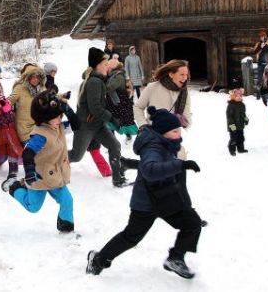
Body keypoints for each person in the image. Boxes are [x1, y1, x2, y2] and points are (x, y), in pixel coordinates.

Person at [86, 106, 202, 279]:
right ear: (163, 132)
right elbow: (149, 170)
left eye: (179, 130)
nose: (179, 134)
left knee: (192, 223)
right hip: (146, 203)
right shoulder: (152, 147)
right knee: (131, 237)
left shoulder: (167, 144)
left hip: (165, 199)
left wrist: (187, 208)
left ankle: (176, 258)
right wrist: (180, 165)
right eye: (175, 131)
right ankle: (98, 259)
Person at [1, 90, 74, 233]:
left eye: (60, 116)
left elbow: (76, 124)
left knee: (67, 200)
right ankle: (15, 187)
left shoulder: (58, 127)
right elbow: (27, 153)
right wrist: (29, 171)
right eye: (56, 117)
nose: (59, 119)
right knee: (33, 207)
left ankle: (66, 228)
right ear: (46, 119)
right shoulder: (40, 136)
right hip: (38, 176)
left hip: (54, 176)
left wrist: (65, 108)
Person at [69, 48, 127, 187]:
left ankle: (117, 178)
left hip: (97, 124)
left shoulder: (98, 80)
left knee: (115, 145)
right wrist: (112, 119)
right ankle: (53, 161)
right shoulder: (94, 82)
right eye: (105, 63)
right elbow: (95, 108)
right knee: (76, 156)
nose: (108, 66)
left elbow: (99, 105)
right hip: (85, 126)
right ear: (98, 65)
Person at [133, 59, 192, 160]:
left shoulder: (184, 92)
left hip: (173, 139)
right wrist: (143, 125)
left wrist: (184, 120)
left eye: (186, 74)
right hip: (153, 138)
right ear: (171, 74)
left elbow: (186, 113)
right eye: (182, 74)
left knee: (179, 165)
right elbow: (138, 107)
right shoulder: (153, 87)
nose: (185, 78)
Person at [7, 64, 47, 144]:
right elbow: (11, 99)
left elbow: (50, 97)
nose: (35, 80)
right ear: (28, 77)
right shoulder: (20, 88)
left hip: (38, 126)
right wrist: (4, 103)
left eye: (37, 77)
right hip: (24, 128)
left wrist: (61, 97)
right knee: (31, 152)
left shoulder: (42, 89)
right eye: (33, 77)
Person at [105, 58, 139, 141]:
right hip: (113, 103)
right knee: (111, 121)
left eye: (108, 68)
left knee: (124, 121)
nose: (107, 70)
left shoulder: (118, 76)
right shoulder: (112, 76)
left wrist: (102, 84)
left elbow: (110, 87)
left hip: (121, 103)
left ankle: (128, 136)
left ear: (112, 68)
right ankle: (112, 139)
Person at [252, 31, 268, 99]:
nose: (262, 38)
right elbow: (255, 52)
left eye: (263, 36)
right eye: (261, 36)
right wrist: (261, 47)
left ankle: (267, 95)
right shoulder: (258, 44)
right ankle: (258, 95)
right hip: (261, 64)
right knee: (260, 79)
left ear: (266, 36)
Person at [226, 88, 249, 156]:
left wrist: (246, 119)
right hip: (233, 126)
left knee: (241, 138)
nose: (239, 97)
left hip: (240, 126)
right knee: (234, 138)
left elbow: (244, 114)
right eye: (237, 96)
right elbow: (229, 117)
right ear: (233, 97)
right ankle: (232, 150)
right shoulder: (231, 105)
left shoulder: (242, 105)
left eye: (240, 96)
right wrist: (232, 127)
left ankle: (240, 149)